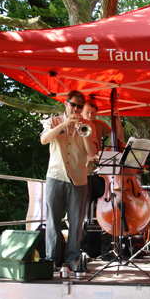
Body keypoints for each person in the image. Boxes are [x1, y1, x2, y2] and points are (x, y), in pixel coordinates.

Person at [40, 90, 98, 272]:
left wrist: (85, 133)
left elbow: (91, 152)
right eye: (73, 105)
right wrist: (65, 124)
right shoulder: (54, 121)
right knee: (52, 220)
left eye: (80, 107)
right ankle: (52, 258)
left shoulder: (88, 125)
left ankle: (73, 257)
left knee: (76, 221)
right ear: (66, 104)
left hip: (79, 179)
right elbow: (44, 140)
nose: (76, 109)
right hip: (56, 176)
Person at [80, 101, 124, 257]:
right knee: (83, 214)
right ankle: (83, 250)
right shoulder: (77, 125)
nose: (90, 116)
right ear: (81, 112)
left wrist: (116, 118)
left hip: (101, 175)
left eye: (93, 112)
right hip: (83, 174)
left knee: (108, 210)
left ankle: (108, 249)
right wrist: (91, 156)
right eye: (87, 113)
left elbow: (118, 137)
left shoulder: (98, 124)